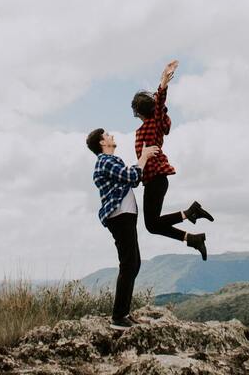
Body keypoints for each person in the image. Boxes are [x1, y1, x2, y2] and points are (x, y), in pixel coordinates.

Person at [133, 59, 214, 260]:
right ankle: (192, 237)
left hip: (157, 179)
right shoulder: (146, 128)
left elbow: (160, 103)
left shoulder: (154, 123)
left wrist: (163, 83)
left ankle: (190, 214)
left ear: (140, 111)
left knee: (152, 225)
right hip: (153, 181)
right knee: (152, 225)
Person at [86, 127, 158, 330]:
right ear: (102, 143)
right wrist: (143, 157)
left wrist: (139, 167)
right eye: (107, 135)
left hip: (125, 216)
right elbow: (131, 176)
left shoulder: (112, 161)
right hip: (119, 216)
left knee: (133, 263)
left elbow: (133, 179)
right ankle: (118, 317)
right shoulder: (105, 161)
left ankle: (124, 313)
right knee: (128, 264)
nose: (111, 136)